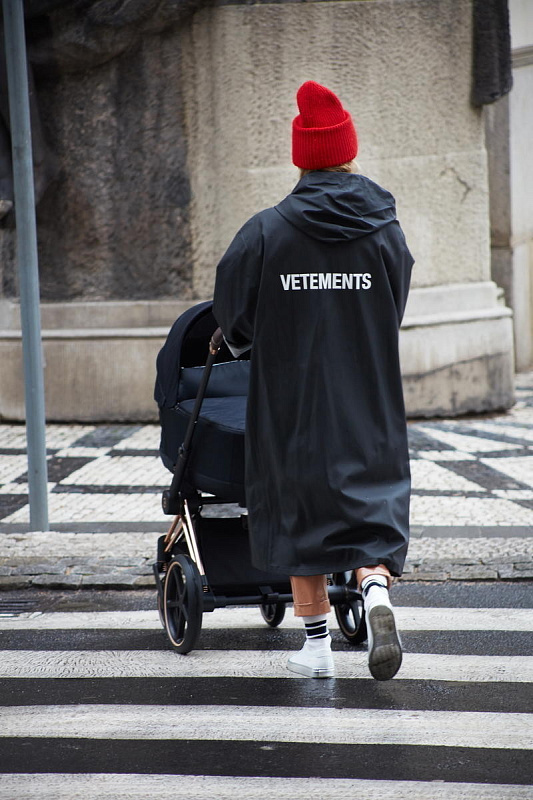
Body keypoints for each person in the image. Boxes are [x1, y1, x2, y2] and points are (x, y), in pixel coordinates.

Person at [213, 80, 414, 681]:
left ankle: (318, 644)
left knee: (299, 509)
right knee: (369, 503)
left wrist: (255, 336)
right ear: (349, 151)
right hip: (368, 398)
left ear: (301, 157)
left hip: (291, 402)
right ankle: (374, 592)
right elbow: (394, 305)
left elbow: (232, 312)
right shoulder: (385, 230)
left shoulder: (266, 232)